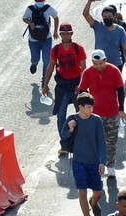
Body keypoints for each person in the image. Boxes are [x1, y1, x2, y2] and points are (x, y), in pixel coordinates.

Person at [62, 92, 108, 216]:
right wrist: (69, 129)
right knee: (81, 192)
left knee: (98, 192)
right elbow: (63, 136)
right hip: (78, 162)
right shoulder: (72, 119)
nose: (91, 110)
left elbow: (101, 141)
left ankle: (93, 203)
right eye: (88, 107)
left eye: (91, 107)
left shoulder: (96, 120)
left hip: (94, 162)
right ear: (80, 107)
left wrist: (102, 162)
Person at [77, 50, 126, 178]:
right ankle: (96, 166)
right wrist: (84, 109)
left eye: (101, 63)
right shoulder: (87, 72)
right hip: (94, 115)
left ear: (105, 60)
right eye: (95, 63)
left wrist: (121, 109)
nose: (98, 66)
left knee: (111, 141)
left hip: (111, 113)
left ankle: (110, 166)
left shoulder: (114, 70)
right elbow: (82, 91)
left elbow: (121, 91)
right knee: (94, 142)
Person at [43, 23, 88, 156]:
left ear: (72, 34)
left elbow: (84, 69)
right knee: (61, 115)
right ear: (60, 35)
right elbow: (50, 67)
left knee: (82, 114)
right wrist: (45, 85)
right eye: (63, 33)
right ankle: (64, 143)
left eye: (68, 33)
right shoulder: (55, 49)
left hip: (76, 85)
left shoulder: (78, 49)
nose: (65, 36)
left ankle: (81, 142)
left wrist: (81, 86)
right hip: (62, 86)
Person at [83, 0, 126, 68]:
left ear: (114, 17)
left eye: (109, 16)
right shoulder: (97, 25)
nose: (107, 18)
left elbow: (125, 47)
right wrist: (89, 1)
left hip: (116, 64)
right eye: (105, 16)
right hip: (99, 64)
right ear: (102, 17)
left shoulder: (120, 30)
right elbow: (85, 14)